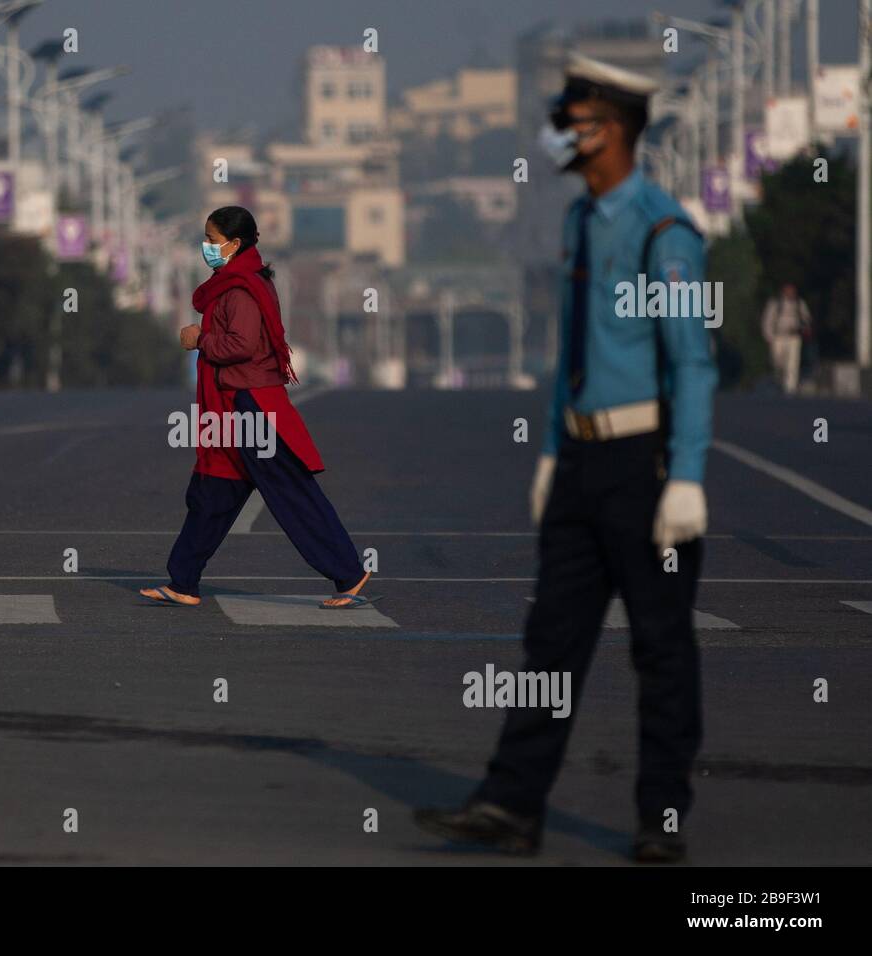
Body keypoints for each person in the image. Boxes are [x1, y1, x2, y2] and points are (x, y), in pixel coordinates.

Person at [413, 55, 718, 863]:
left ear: (609, 129)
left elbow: (692, 360)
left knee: (660, 646)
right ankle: (512, 804)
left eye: (571, 117)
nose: (558, 131)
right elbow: (572, 352)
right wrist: (552, 452)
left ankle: (663, 819)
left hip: (643, 465)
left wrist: (685, 473)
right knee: (550, 642)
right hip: (583, 463)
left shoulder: (665, 230)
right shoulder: (583, 221)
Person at [139, 206, 373, 610]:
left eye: (213, 240)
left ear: (235, 243)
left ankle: (349, 574)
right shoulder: (232, 282)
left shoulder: (240, 288)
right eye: (207, 239)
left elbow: (242, 346)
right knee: (212, 492)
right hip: (230, 405)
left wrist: (201, 340)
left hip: (250, 407)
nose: (207, 247)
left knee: (290, 492)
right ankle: (184, 581)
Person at [761, 283, 812, 394]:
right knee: (777, 362)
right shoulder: (775, 303)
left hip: (793, 337)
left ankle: (790, 388)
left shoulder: (799, 303)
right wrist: (769, 336)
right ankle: (779, 382)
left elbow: (806, 319)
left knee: (792, 363)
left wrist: (802, 329)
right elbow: (768, 320)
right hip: (778, 337)